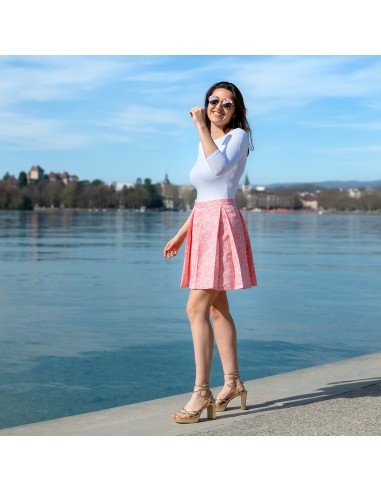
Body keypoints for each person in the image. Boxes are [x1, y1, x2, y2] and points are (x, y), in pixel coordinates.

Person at [163, 81, 257, 424]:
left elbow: (218, 171)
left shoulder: (237, 137)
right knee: (217, 309)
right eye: (213, 101)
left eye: (227, 104)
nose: (219, 106)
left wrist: (203, 127)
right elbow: (202, 195)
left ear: (236, 111)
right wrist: (180, 235)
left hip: (221, 222)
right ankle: (232, 383)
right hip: (203, 222)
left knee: (195, 306)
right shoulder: (208, 140)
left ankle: (201, 391)